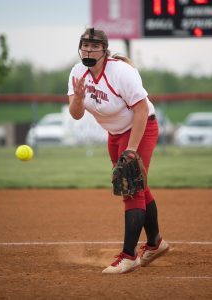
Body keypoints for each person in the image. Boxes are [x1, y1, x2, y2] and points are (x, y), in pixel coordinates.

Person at [67, 28, 169, 274]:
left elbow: (142, 111)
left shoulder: (121, 72)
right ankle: (156, 243)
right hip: (114, 134)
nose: (89, 50)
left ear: (105, 50)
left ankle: (129, 255)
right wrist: (79, 98)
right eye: (85, 46)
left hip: (140, 128)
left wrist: (132, 149)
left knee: (130, 186)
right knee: (137, 185)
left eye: (94, 46)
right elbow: (76, 114)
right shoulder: (77, 72)